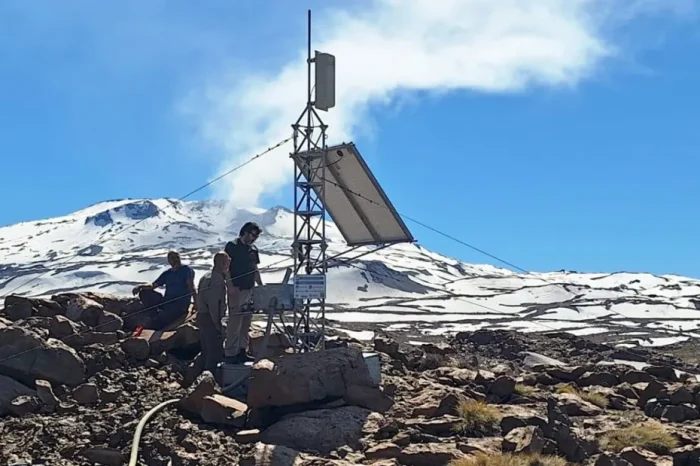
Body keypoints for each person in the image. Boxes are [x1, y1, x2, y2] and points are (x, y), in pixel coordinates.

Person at [223, 221, 263, 363]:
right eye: (253, 235)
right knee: (235, 322)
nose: (254, 239)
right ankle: (230, 353)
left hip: (249, 288)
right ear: (245, 232)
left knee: (246, 322)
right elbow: (226, 268)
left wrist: (260, 286)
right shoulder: (232, 246)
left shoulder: (253, 249)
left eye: (256, 237)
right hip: (237, 289)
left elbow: (255, 269)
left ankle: (242, 350)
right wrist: (230, 286)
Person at [132, 251, 197, 330]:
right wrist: (140, 286)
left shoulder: (186, 270)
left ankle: (156, 321)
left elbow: (191, 287)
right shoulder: (167, 273)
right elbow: (153, 285)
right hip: (167, 301)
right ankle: (155, 314)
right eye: (173, 258)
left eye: (177, 257)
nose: (176, 259)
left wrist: (196, 303)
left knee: (160, 321)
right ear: (169, 261)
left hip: (180, 304)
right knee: (144, 293)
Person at [193, 252, 230, 375]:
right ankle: (209, 381)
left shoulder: (206, 276)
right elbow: (214, 305)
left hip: (202, 316)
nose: (228, 264)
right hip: (210, 318)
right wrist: (218, 325)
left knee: (206, 350)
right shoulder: (216, 279)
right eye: (227, 262)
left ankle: (196, 376)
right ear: (221, 263)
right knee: (213, 352)